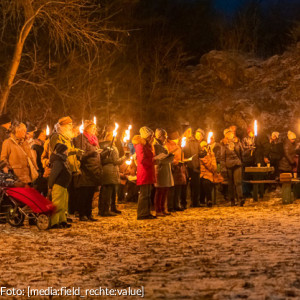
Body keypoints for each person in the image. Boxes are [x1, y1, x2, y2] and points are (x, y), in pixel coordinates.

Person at [50, 116, 82, 215]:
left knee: (69, 194)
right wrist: (76, 151)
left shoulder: (67, 138)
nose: (71, 127)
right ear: (63, 126)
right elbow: (60, 151)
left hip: (70, 168)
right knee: (61, 195)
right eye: (69, 125)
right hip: (62, 168)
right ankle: (60, 216)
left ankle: (65, 214)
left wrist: (77, 164)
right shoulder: (57, 136)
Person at [73, 120, 102, 221]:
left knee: (90, 193)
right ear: (86, 128)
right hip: (85, 170)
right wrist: (93, 152)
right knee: (84, 193)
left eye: (95, 128)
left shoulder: (94, 139)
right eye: (92, 128)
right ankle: (82, 214)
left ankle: (89, 213)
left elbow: (96, 152)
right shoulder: (81, 138)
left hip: (94, 170)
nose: (94, 130)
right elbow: (81, 154)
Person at [98, 129, 127, 217]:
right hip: (111, 171)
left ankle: (103, 209)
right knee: (108, 192)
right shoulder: (112, 147)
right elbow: (115, 161)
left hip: (104, 170)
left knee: (104, 191)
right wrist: (124, 157)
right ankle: (105, 210)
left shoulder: (101, 146)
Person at [132, 126, 157, 220]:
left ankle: (146, 212)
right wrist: (153, 160)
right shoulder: (140, 145)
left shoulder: (147, 145)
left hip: (148, 171)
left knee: (147, 193)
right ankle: (142, 213)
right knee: (144, 194)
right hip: (144, 172)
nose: (152, 138)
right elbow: (142, 159)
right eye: (151, 136)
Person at [48, 143, 72, 229]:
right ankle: (54, 222)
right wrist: (50, 186)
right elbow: (53, 174)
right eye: (66, 150)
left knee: (63, 204)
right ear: (63, 151)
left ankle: (62, 221)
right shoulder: (58, 161)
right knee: (57, 204)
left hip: (63, 186)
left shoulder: (62, 160)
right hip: (58, 185)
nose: (67, 151)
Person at [220, 128, 244, 206]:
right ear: (226, 135)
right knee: (231, 184)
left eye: (231, 133)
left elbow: (241, 153)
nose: (231, 134)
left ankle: (240, 199)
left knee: (238, 182)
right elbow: (222, 157)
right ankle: (232, 200)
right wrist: (223, 168)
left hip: (237, 164)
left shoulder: (237, 142)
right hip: (229, 165)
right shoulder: (223, 144)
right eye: (229, 133)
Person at [153, 128, 174, 216]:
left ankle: (163, 208)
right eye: (164, 136)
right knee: (160, 191)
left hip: (166, 169)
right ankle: (158, 210)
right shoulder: (156, 145)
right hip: (160, 169)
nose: (165, 138)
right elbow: (157, 158)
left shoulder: (162, 145)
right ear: (159, 136)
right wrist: (166, 158)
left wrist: (169, 157)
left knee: (165, 189)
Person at [166, 130, 187, 211]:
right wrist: (176, 162)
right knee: (172, 188)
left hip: (180, 169)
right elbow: (169, 157)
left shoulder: (178, 146)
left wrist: (183, 160)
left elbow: (180, 155)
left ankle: (176, 204)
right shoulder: (168, 145)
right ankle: (170, 206)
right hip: (173, 168)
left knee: (178, 187)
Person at [183, 128, 204, 207]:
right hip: (187, 165)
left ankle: (195, 202)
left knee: (196, 185)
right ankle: (183, 203)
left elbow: (199, 153)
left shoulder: (196, 142)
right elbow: (182, 153)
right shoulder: (185, 141)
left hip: (195, 166)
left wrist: (203, 153)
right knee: (185, 186)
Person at [199, 141, 217, 207]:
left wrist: (205, 160)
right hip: (200, 174)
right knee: (199, 181)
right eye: (202, 147)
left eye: (205, 146)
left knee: (206, 182)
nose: (203, 148)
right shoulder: (199, 155)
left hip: (209, 174)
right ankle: (201, 200)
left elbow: (214, 168)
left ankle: (209, 200)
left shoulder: (211, 155)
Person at [32, 129, 48, 195]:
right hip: (40, 170)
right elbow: (35, 159)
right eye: (42, 135)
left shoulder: (42, 145)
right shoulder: (35, 146)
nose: (44, 136)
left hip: (43, 169)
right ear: (38, 136)